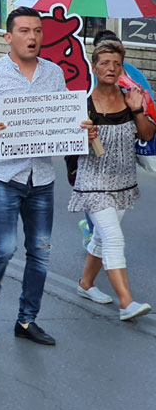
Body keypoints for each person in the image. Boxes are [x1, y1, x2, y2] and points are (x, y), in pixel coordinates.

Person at [0, 6, 97, 345]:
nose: (32, 37)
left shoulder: (53, 73)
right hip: (2, 176)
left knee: (41, 252)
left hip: (41, 178)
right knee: (4, 247)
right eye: (24, 31)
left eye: (37, 31)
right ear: (9, 36)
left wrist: (82, 129)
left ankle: (26, 321)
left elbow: (65, 118)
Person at [70, 40, 153, 321]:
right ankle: (126, 302)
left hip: (123, 182)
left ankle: (85, 284)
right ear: (94, 67)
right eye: (105, 63)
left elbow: (147, 135)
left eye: (117, 64)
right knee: (114, 238)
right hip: (93, 182)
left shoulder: (130, 98)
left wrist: (139, 110)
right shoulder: (83, 104)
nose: (111, 68)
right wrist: (83, 136)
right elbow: (68, 145)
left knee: (101, 237)